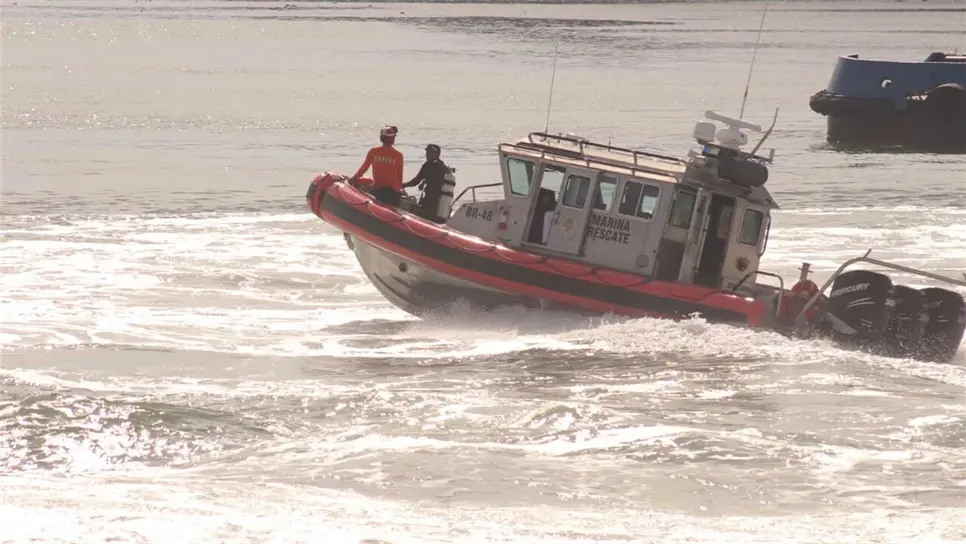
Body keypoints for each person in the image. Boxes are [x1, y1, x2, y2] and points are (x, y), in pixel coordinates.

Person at [350, 125, 404, 207]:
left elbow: (364, 168)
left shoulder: (374, 151)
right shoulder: (398, 155)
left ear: (382, 138)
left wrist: (353, 178)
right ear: (393, 139)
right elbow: (400, 176)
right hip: (394, 191)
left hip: (379, 188)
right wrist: (400, 189)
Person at [403, 143, 449, 223]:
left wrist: (403, 185)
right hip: (439, 203)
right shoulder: (444, 168)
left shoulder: (428, 165)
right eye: (427, 153)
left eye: (429, 153)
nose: (426, 155)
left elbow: (416, 181)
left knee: (418, 217)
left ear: (436, 154)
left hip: (429, 202)